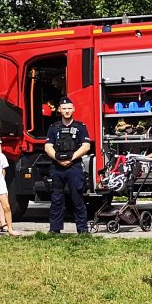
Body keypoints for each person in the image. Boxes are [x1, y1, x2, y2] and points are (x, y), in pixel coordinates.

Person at [45, 97, 92, 233]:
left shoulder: (80, 127)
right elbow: (48, 147)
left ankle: (82, 230)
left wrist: (72, 158)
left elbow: (86, 146)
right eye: (64, 108)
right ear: (60, 110)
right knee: (56, 200)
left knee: (77, 199)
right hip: (57, 168)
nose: (67, 111)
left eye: (69, 108)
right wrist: (58, 159)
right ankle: (54, 230)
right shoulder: (54, 128)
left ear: (74, 109)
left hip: (74, 166)